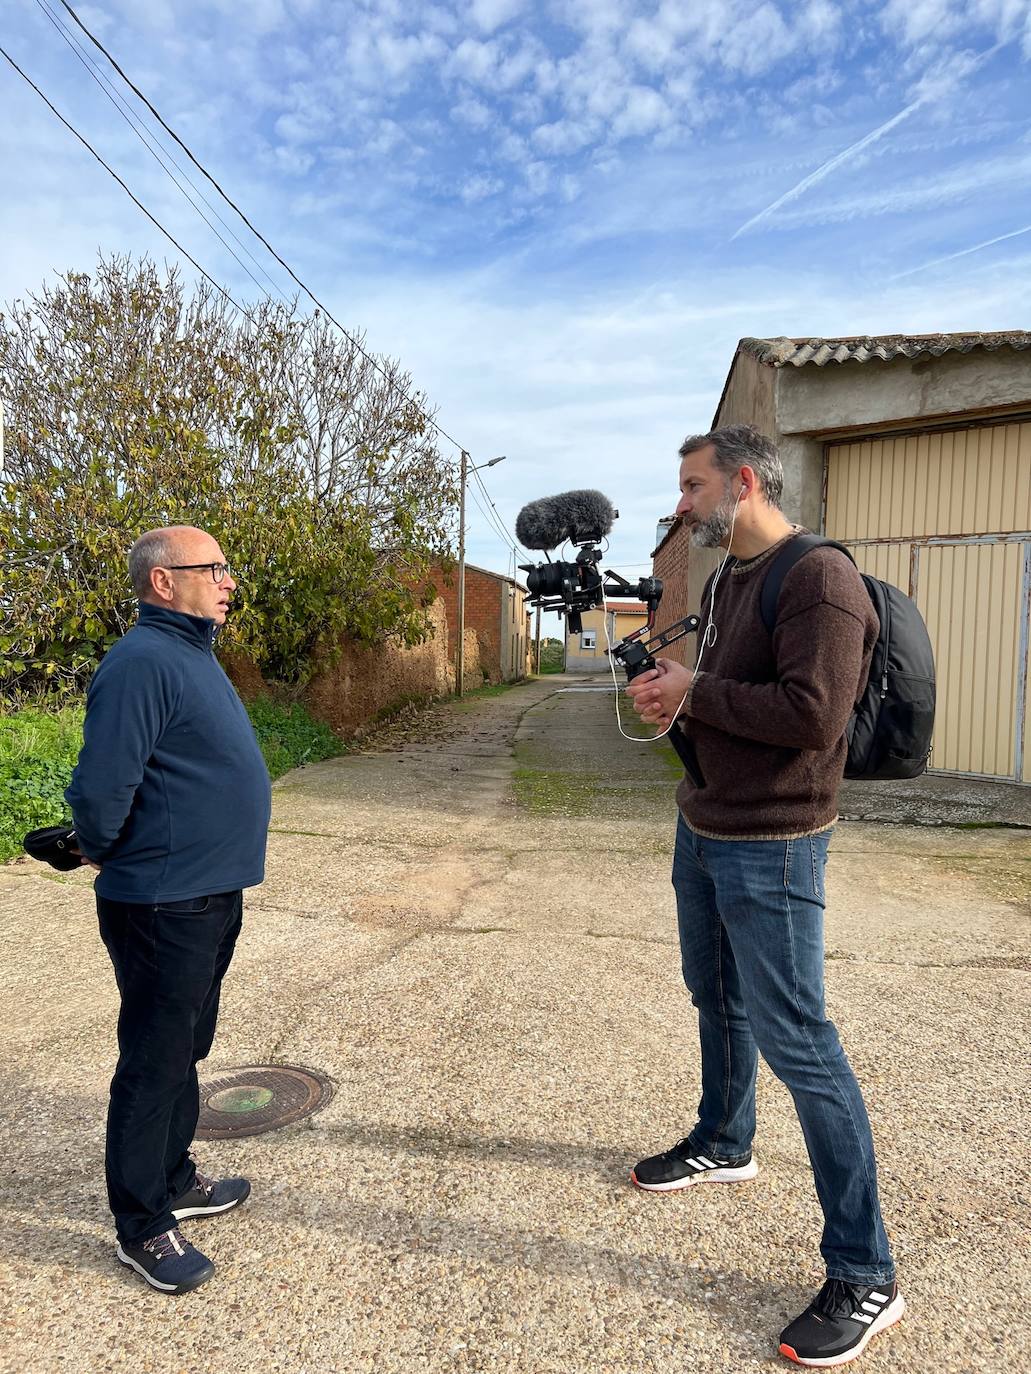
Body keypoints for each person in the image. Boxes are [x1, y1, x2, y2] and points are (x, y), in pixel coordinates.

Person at [626, 425, 903, 1368]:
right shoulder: (722, 582)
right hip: (703, 823)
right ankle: (723, 1138)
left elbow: (812, 715)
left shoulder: (817, 578)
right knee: (716, 997)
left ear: (743, 483)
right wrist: (674, 697)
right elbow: (724, 695)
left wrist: (695, 689)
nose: (682, 505)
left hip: (776, 841)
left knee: (803, 1044)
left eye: (693, 487)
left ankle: (866, 1272)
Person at [66, 526, 271, 1295]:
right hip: (161, 902)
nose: (227, 582)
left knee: (185, 1046)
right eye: (213, 569)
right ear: (162, 582)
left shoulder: (191, 654)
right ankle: (142, 1224)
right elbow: (99, 786)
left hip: (209, 894)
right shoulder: (142, 661)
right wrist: (96, 842)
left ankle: (176, 1176)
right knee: (153, 1063)